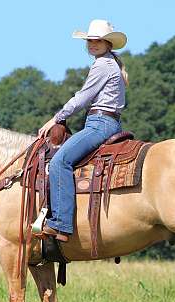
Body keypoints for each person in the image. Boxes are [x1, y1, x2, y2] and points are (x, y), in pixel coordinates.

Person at [37, 19, 129, 242]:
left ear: (108, 43)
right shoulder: (110, 64)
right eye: (89, 40)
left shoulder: (102, 65)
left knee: (60, 161)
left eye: (97, 40)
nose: (92, 44)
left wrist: (56, 118)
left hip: (100, 123)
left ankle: (61, 224)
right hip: (107, 122)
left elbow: (82, 98)